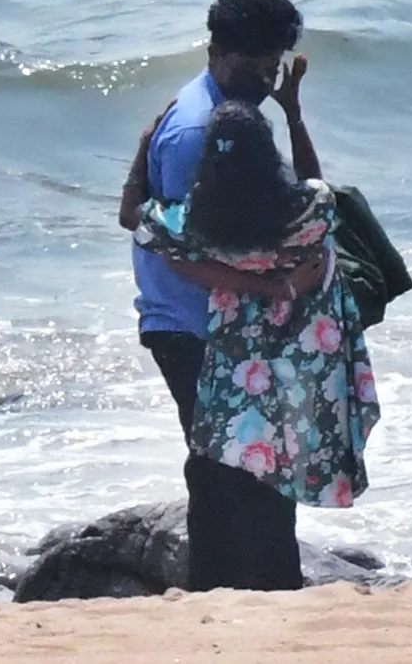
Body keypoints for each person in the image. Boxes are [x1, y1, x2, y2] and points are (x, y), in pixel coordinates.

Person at [120, 0, 328, 591]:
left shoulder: (231, 112)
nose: (267, 80)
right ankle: (246, 593)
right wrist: (282, 290)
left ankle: (241, 590)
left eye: (273, 69)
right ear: (219, 53)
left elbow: (302, 206)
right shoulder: (195, 133)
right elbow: (183, 250)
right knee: (236, 470)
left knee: (242, 465)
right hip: (195, 323)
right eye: (258, 69)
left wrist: (289, 110)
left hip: (222, 323)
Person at [121, 100, 380, 587]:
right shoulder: (309, 208)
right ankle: (278, 579)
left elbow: (131, 215)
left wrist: (143, 145)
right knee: (277, 479)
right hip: (303, 361)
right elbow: (316, 182)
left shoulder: (198, 225)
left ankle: (223, 582)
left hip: (237, 364)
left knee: (231, 469)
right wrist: (296, 114)